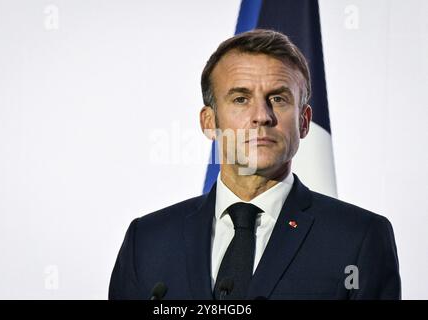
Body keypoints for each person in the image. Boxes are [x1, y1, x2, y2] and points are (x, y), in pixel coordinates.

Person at [108, 29, 401, 300]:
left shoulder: (359, 238)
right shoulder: (147, 241)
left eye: (278, 98)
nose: (261, 116)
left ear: (304, 121)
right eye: (240, 99)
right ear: (209, 122)